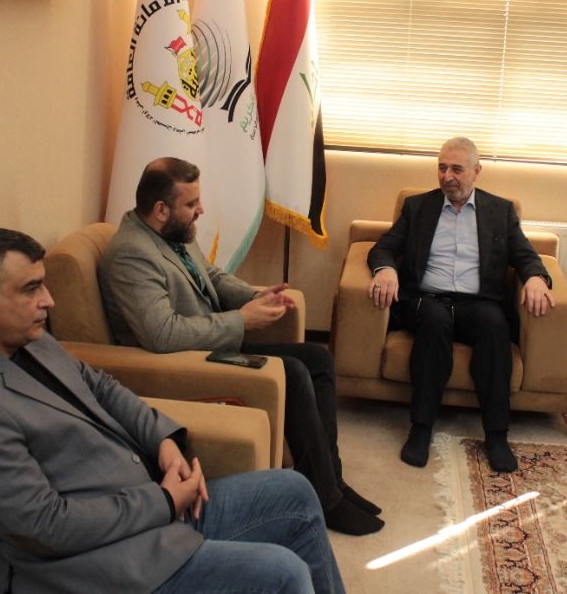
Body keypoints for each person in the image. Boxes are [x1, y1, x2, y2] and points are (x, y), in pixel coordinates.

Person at [0, 227, 345, 594]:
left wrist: (163, 441)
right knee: (282, 574)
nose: (48, 301)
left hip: (152, 511)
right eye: (31, 288)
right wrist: (163, 501)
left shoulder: (25, 338)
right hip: (107, 564)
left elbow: (101, 387)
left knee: (295, 489)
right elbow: (46, 526)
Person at [99, 158, 382, 536]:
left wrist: (254, 295)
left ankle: (332, 480)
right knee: (294, 372)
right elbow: (162, 335)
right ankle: (326, 499)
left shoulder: (171, 232)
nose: (201, 209)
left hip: (209, 339)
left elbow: (211, 277)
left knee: (319, 359)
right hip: (187, 361)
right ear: (161, 209)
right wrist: (241, 320)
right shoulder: (131, 254)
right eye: (191, 203)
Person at [367, 137, 554, 472]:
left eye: (456, 169)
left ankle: (496, 435)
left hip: (478, 303)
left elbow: (526, 255)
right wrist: (386, 270)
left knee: (495, 326)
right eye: (442, 168)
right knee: (434, 322)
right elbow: (383, 248)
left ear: (476, 171)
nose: (447, 176)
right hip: (427, 299)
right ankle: (421, 428)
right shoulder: (417, 207)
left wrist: (537, 278)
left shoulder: (500, 211)